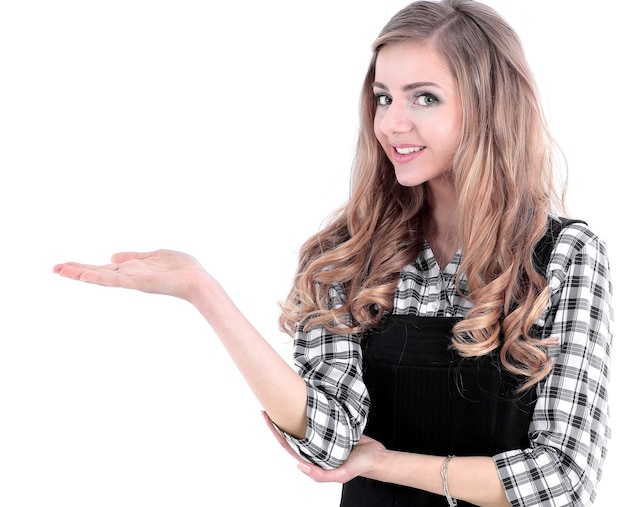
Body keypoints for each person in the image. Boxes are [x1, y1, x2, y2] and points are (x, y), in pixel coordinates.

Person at [53, 0, 613, 505]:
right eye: (383, 97)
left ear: (491, 108)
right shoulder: (348, 255)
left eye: (425, 97)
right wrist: (205, 293)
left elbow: (562, 480)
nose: (392, 123)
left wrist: (383, 464)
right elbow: (328, 441)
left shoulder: (564, 256)